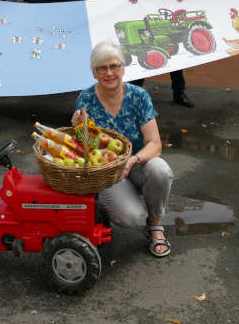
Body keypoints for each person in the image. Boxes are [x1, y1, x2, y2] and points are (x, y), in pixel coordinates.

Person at [72, 41, 174, 257]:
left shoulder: (138, 96)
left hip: (137, 164)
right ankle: (102, 207)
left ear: (123, 68)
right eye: (102, 68)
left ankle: (155, 224)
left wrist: (132, 161)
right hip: (108, 173)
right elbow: (84, 150)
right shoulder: (86, 99)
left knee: (160, 169)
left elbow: (155, 144)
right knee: (130, 218)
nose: (109, 73)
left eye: (114, 66)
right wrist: (77, 129)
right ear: (94, 73)